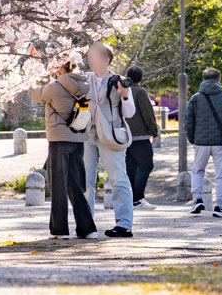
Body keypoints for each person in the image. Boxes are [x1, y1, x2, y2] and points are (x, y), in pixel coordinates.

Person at [28, 59, 97, 239]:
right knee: (76, 185)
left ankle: (59, 230)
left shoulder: (54, 87)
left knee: (58, 184)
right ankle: (88, 229)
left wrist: (35, 71)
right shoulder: (83, 84)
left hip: (59, 139)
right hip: (77, 138)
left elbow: (33, 93)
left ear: (59, 67)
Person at [84, 41, 136, 238]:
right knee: (86, 180)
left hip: (112, 134)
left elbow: (130, 113)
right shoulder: (84, 80)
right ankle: (86, 223)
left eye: (95, 55)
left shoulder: (118, 80)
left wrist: (124, 95)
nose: (91, 59)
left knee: (118, 177)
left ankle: (124, 224)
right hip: (87, 133)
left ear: (106, 59)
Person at [185, 68, 222, 219]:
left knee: (197, 171)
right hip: (220, 142)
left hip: (201, 142)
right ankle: (220, 206)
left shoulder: (195, 98)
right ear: (219, 80)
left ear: (204, 79)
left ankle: (197, 199)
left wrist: (193, 139)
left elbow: (188, 122)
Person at [124, 66, 159, 210]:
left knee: (131, 167)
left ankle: (130, 198)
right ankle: (138, 197)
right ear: (141, 78)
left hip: (125, 135)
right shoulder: (140, 91)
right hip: (140, 135)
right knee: (146, 165)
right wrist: (154, 132)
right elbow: (147, 113)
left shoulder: (123, 91)